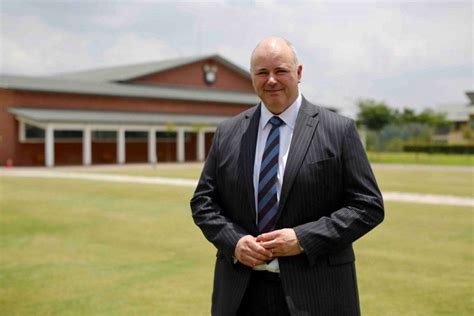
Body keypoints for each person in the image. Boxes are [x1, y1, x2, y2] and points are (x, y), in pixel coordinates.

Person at [190, 36, 384, 316]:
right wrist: (234, 242)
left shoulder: (338, 131)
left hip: (317, 293)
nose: (271, 80)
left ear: (299, 73)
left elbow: (368, 206)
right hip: (240, 295)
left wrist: (303, 239)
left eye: (280, 70)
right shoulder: (227, 133)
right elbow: (203, 202)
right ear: (252, 77)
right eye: (262, 72)